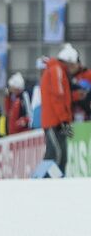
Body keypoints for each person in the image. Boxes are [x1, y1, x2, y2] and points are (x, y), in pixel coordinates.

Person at [38, 43, 82, 172]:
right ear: (68, 62)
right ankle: (46, 181)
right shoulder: (56, 70)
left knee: (61, 154)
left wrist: (75, 96)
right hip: (55, 121)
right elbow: (57, 97)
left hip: (59, 120)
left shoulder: (57, 70)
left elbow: (61, 96)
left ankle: (58, 180)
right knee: (56, 153)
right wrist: (64, 120)